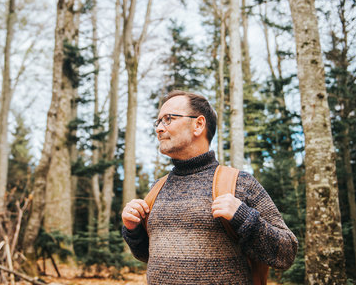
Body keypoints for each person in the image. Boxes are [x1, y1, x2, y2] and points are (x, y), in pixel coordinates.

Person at [121, 90, 298, 285]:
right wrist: (132, 229)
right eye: (158, 122)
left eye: (168, 119)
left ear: (198, 124)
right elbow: (147, 255)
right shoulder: (157, 188)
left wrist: (244, 217)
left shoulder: (240, 183)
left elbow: (286, 252)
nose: (159, 129)